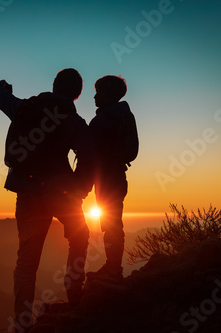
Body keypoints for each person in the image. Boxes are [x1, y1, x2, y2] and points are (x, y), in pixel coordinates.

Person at [0, 68, 94, 332]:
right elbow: (89, 156)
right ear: (77, 93)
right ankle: (74, 290)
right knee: (79, 236)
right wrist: (79, 189)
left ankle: (22, 323)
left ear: (55, 85)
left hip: (27, 192)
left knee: (27, 260)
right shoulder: (73, 121)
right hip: (59, 194)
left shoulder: (25, 108)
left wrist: (2, 86)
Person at [86, 75, 138, 283]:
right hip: (118, 176)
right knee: (113, 222)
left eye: (98, 92)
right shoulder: (126, 116)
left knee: (111, 224)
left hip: (106, 178)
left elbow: (88, 152)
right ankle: (113, 267)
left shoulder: (103, 120)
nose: (94, 97)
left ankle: (113, 268)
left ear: (107, 94)